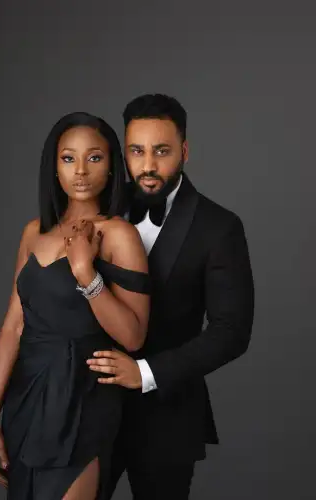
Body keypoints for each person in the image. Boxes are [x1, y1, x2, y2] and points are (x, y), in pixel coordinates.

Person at [87, 94, 255, 499]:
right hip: (89, 408)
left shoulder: (220, 227)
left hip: (168, 416)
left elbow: (231, 332)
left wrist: (145, 373)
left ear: (184, 151)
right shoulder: (97, 209)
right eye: (136, 151)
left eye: (161, 151)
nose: (147, 165)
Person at [0, 112, 151, 500]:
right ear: (54, 167)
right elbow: (13, 326)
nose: (81, 171)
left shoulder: (119, 235)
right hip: (27, 395)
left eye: (94, 158)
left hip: (83, 398)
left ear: (111, 167)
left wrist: (84, 273)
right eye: (68, 158)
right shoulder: (33, 232)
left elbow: (134, 336)